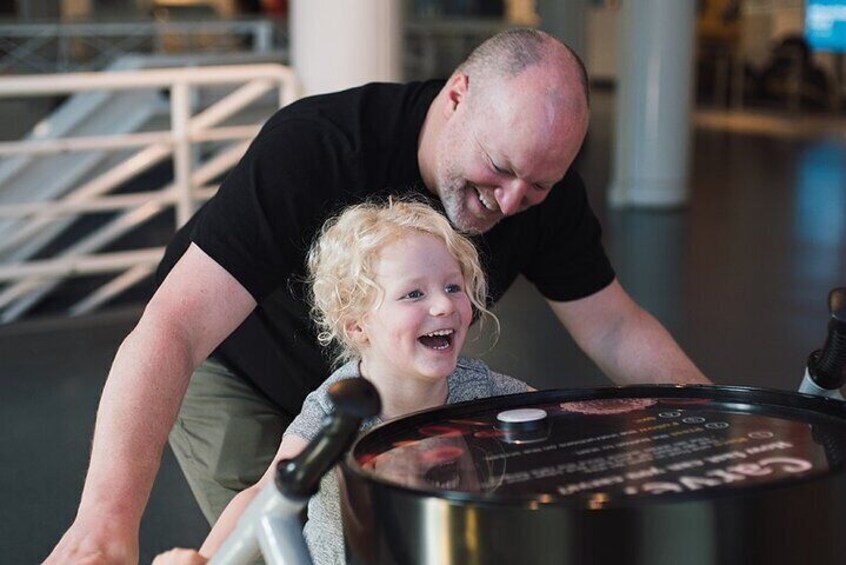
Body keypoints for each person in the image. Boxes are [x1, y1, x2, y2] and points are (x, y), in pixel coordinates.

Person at [46, 28, 709, 564]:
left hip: (388, 384)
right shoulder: (317, 146)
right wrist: (105, 523)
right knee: (280, 535)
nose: (512, 202)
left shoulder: (538, 191)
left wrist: (714, 421)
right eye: (500, 169)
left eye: (537, 186)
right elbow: (177, 327)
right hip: (236, 365)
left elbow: (616, 327)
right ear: (456, 96)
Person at [154, 198, 534, 564]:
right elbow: (265, 492)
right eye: (414, 294)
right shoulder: (335, 411)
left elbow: (560, 415)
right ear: (358, 325)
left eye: (453, 287)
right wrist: (204, 559)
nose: (444, 305)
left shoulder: (479, 389)